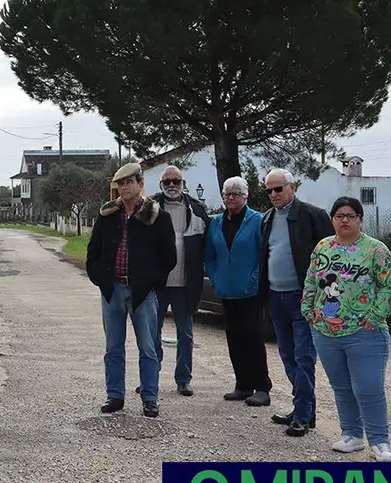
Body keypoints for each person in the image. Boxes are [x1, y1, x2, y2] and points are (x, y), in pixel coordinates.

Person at [300, 197, 391, 458]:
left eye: (351, 215)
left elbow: (389, 286)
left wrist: (375, 317)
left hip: (365, 333)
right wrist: (308, 310)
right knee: (341, 387)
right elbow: (312, 279)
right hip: (325, 331)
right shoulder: (323, 247)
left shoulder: (375, 250)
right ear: (332, 219)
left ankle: (379, 441)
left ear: (360, 219)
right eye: (339, 215)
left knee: (368, 387)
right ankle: (351, 434)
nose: (345, 220)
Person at [85, 163, 177, 418]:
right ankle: (115, 396)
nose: (124, 188)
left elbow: (169, 258)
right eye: (120, 184)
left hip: (142, 293)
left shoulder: (158, 217)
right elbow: (93, 251)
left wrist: (150, 282)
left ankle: (149, 398)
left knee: (148, 347)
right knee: (113, 347)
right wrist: (99, 278)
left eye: (129, 182)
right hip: (112, 289)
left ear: (140, 184)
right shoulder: (107, 217)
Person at [260, 169, 335, 425]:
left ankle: (303, 413)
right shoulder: (267, 218)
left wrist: (322, 297)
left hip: (303, 297)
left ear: (292, 188)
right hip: (275, 296)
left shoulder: (313, 215)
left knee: (304, 357)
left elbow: (329, 257)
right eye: (268, 190)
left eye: (278, 189)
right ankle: (304, 408)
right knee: (287, 355)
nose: (273, 194)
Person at [204, 176, 273, 407]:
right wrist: (215, 278)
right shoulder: (216, 222)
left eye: (235, 194)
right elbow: (210, 256)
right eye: (227, 194)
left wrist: (255, 279)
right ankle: (242, 385)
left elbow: (264, 255)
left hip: (251, 292)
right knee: (234, 339)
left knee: (253, 338)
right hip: (226, 290)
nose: (231, 198)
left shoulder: (257, 221)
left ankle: (262, 387)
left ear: (245, 196)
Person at [150, 166, 210, 397]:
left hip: (186, 284)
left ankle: (183, 379)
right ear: (161, 185)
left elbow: (207, 245)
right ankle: (150, 375)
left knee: (185, 335)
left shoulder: (197, 209)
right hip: (158, 285)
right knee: (151, 333)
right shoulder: (150, 208)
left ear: (183, 183)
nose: (172, 185)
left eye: (176, 181)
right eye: (167, 182)